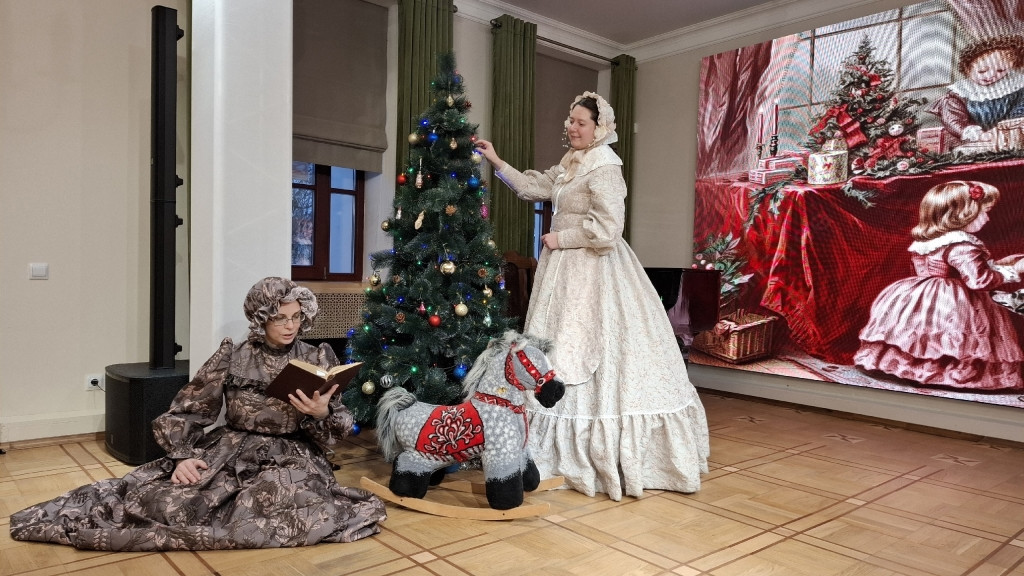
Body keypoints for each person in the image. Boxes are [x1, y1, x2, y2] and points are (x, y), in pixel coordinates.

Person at [9, 277, 386, 550]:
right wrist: (183, 455)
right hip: (233, 448)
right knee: (174, 503)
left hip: (293, 452)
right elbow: (189, 409)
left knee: (289, 502)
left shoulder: (317, 356)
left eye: (297, 317)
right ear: (260, 318)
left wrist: (320, 412)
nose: (291, 326)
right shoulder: (234, 356)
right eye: (280, 318)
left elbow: (340, 425)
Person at [474, 92, 710, 501]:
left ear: (599, 129)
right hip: (563, 272)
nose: (571, 127)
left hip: (593, 268)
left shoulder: (605, 166)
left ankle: (603, 454)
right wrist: (496, 160)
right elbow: (534, 186)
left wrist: (560, 238)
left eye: (580, 122)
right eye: (570, 120)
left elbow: (607, 230)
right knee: (555, 342)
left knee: (587, 345)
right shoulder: (572, 162)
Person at [854, 181, 1024, 390]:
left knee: (922, 335)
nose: (988, 218)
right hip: (952, 301)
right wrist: (1015, 270)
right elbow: (978, 280)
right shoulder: (962, 245)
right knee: (954, 336)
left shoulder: (928, 242)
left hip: (918, 294)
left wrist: (1001, 264)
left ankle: (914, 369)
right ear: (963, 214)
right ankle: (948, 374)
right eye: (985, 211)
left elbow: (959, 269)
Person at [929, 35, 1024, 149]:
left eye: (1001, 70)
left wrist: (1008, 128)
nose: (991, 76)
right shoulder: (960, 93)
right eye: (982, 71)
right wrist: (979, 135)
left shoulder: (1015, 87)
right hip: (977, 144)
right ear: (967, 69)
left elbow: (1020, 110)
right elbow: (954, 121)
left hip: (1013, 140)